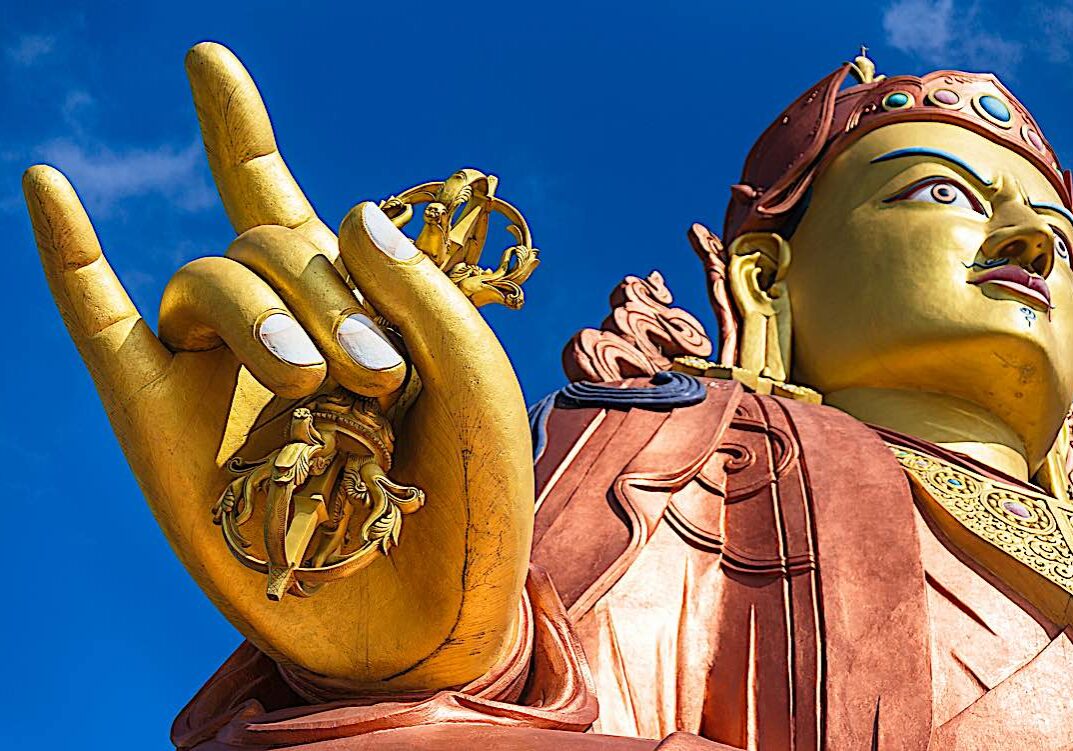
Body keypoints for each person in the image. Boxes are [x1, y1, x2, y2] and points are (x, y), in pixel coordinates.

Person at [22, 43, 1073, 750]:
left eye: (1058, 236)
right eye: (940, 194)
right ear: (763, 280)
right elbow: (508, 706)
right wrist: (410, 668)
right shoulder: (684, 463)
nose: (1030, 244)